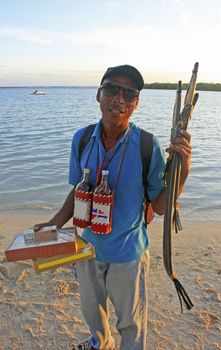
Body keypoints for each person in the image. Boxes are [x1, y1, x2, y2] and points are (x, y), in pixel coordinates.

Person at [34, 64, 192, 350]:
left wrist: (184, 168)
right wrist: (56, 222)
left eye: (128, 93)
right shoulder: (82, 139)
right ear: (98, 95)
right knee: (92, 314)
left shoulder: (147, 145)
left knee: (130, 324)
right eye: (111, 89)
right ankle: (100, 343)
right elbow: (77, 189)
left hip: (127, 254)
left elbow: (159, 206)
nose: (118, 98)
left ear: (136, 103)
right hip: (85, 248)